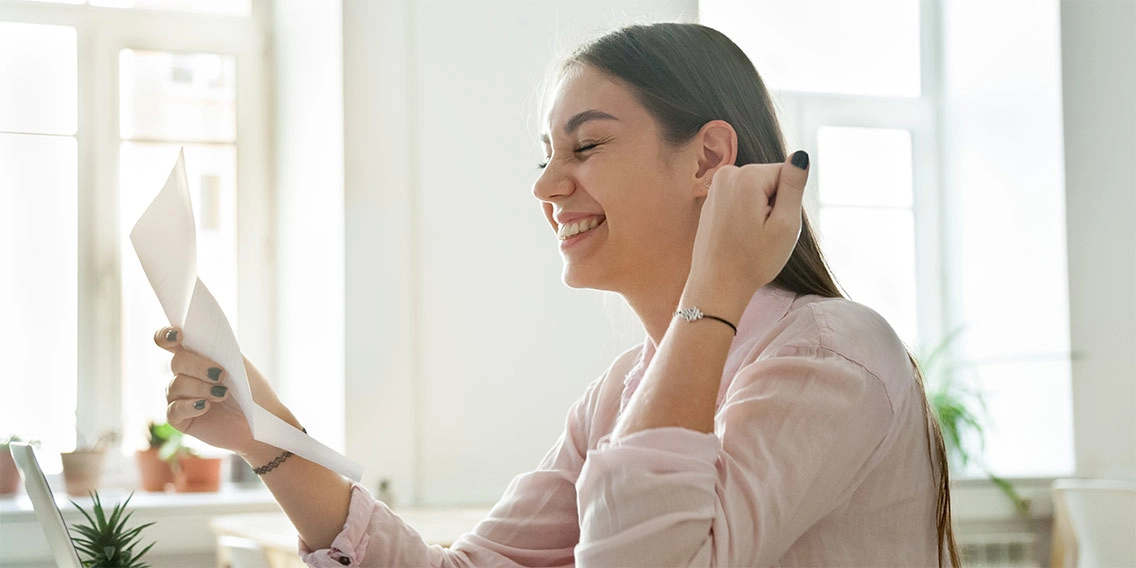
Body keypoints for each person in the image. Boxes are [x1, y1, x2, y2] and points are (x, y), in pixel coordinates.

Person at [155, 22, 958, 567]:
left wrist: (716, 283)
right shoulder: (620, 394)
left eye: (587, 144)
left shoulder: (830, 356)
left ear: (710, 157)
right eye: (545, 153)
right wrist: (267, 435)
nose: (546, 183)